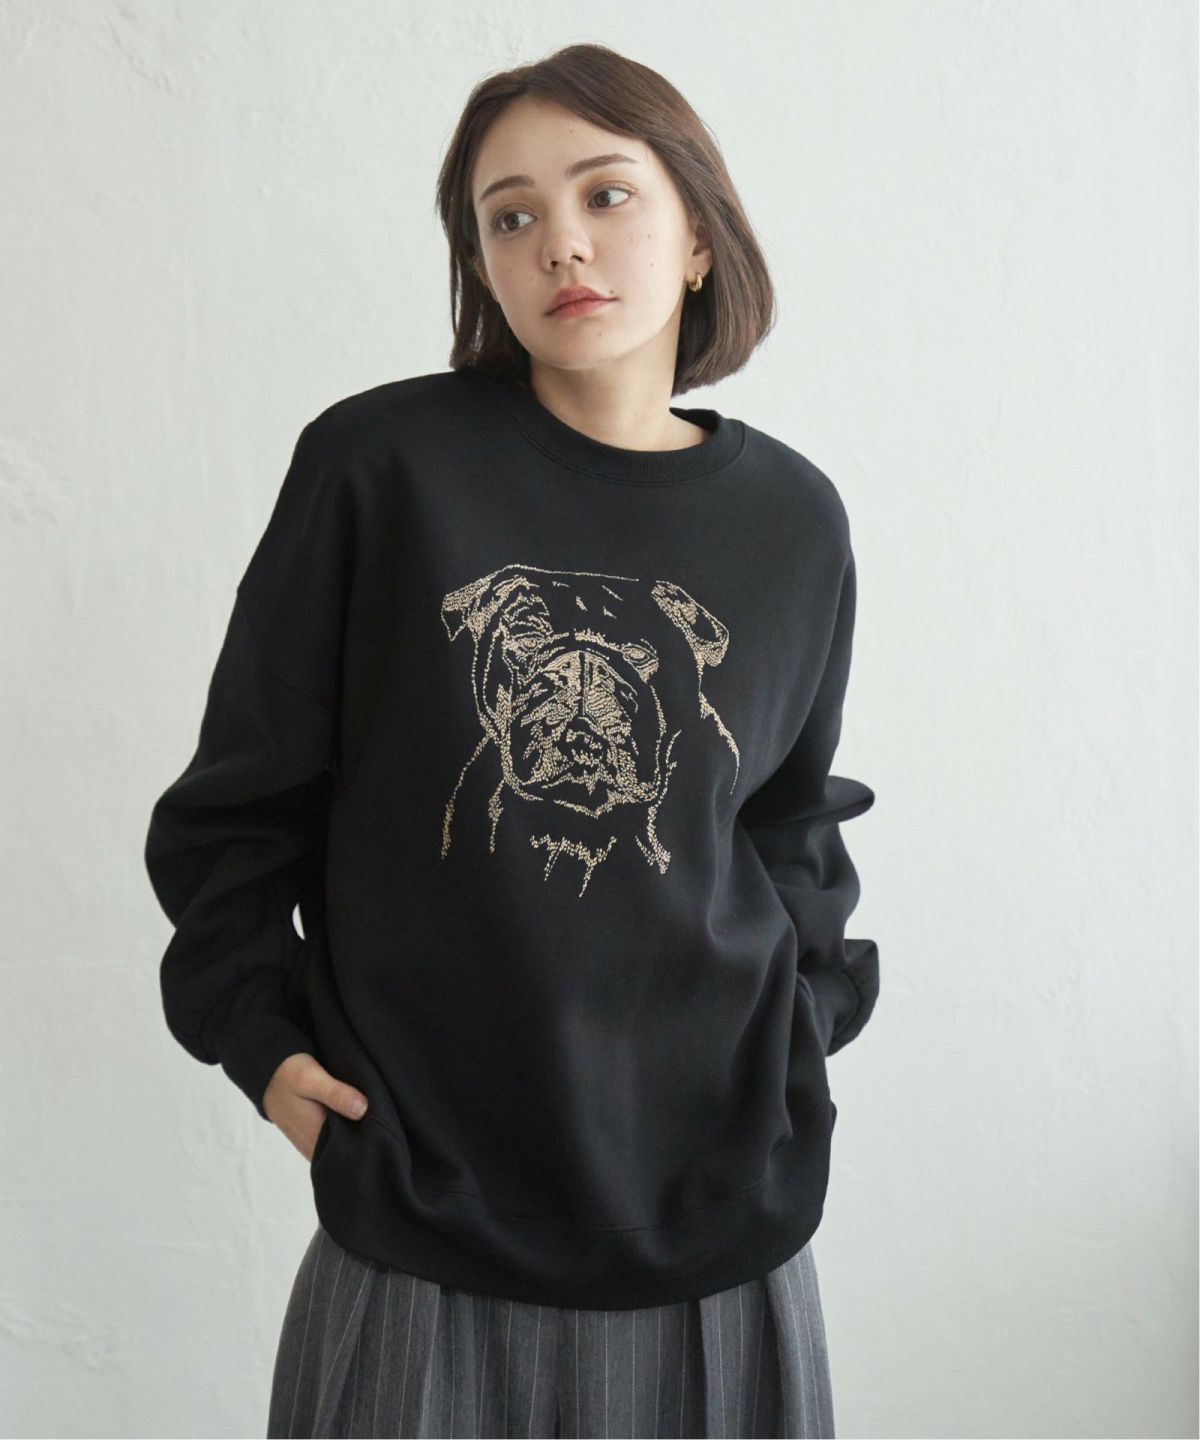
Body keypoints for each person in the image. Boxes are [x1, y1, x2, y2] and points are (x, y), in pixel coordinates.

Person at [144, 41, 879, 1440]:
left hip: (720, 1216)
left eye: (608, 194)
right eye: (512, 215)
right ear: (480, 264)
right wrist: (263, 1046)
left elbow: (789, 823)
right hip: (423, 1213)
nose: (562, 243)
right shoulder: (382, 468)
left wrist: (801, 1038)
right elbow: (240, 805)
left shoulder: (792, 519)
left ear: (702, 238)